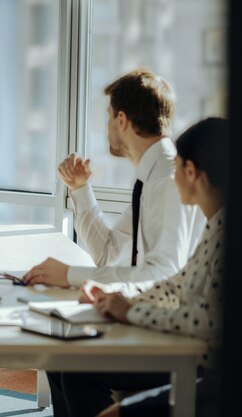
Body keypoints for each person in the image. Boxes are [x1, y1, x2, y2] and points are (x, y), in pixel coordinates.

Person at [47, 117, 227, 417]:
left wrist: (130, 311)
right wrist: (122, 301)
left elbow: (207, 323)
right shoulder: (216, 226)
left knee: (76, 366)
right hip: (187, 354)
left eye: (178, 167)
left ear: (191, 171)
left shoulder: (224, 234)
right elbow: (175, 284)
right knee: (64, 357)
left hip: (206, 376)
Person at [24, 69, 204, 295]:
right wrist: (79, 189)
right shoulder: (152, 177)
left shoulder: (167, 181)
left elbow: (163, 273)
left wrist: (70, 275)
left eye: (109, 115)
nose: (107, 126)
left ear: (122, 120)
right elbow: (108, 255)